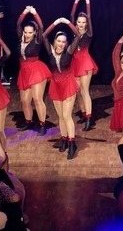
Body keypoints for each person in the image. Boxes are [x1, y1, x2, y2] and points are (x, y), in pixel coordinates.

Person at [42, 17, 80, 159]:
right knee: (60, 116)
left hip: (68, 84)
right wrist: (56, 23)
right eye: (59, 41)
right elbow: (44, 35)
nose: (61, 44)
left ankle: (72, 143)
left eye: (64, 42)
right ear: (55, 41)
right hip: (55, 85)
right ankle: (64, 139)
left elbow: (77, 36)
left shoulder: (68, 52)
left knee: (66, 115)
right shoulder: (50, 51)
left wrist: (67, 22)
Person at [15, 6, 51, 134]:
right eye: (26, 32)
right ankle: (28, 122)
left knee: (37, 99)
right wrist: (24, 13)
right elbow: (18, 24)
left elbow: (41, 27)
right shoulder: (21, 38)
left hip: (36, 71)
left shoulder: (37, 40)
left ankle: (42, 124)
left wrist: (35, 13)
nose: (27, 34)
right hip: (24, 71)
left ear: (35, 33)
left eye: (30, 32)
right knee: (25, 100)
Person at [71, 0, 98, 131]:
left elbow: (90, 16)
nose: (81, 24)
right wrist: (76, 1)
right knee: (77, 91)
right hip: (74, 62)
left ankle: (89, 118)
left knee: (84, 90)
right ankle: (83, 113)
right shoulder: (73, 31)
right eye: (79, 22)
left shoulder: (89, 33)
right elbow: (71, 15)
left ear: (86, 23)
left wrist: (87, 2)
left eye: (83, 22)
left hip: (85, 62)